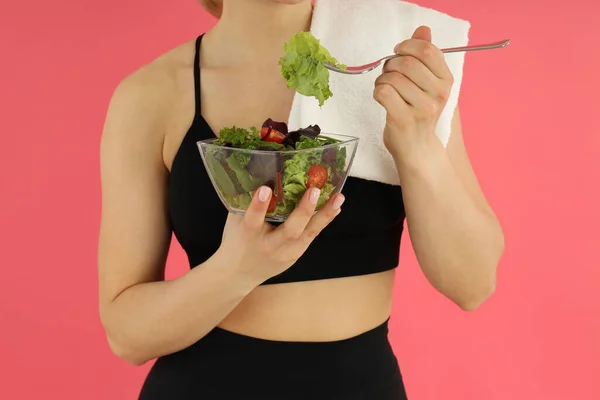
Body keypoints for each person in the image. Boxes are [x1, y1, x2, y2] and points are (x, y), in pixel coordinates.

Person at [98, 0, 505, 398]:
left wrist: (418, 143)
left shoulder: (396, 74)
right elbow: (127, 336)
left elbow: (472, 284)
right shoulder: (151, 94)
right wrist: (235, 271)